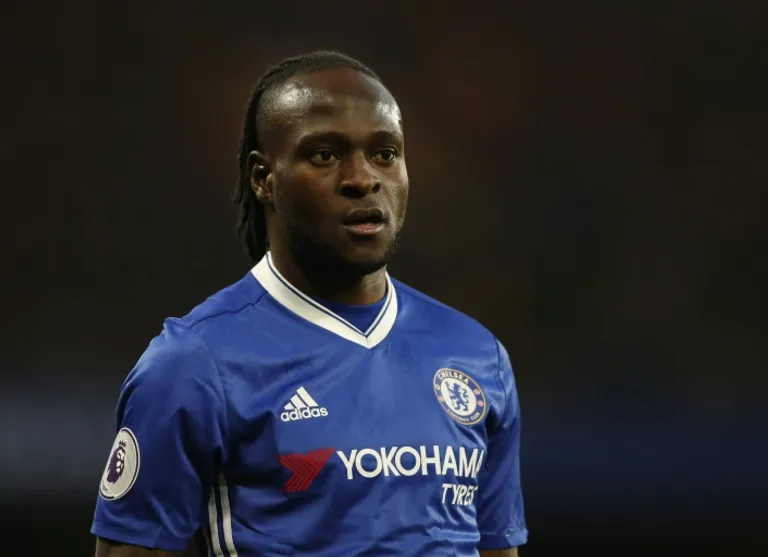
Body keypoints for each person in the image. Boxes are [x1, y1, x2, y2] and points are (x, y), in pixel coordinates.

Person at [91, 50, 528, 557]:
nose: (362, 178)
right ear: (263, 178)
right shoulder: (193, 365)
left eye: (385, 153)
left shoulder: (477, 356)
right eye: (324, 155)